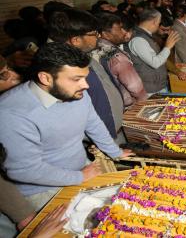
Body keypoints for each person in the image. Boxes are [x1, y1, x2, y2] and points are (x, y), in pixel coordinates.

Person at [0, 43, 133, 212]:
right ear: (46, 78)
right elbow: (24, 170)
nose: (86, 85)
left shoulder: (76, 93)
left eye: (85, 77)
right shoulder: (10, 114)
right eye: (76, 79)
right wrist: (80, 176)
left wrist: (116, 152)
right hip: (44, 189)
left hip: (81, 169)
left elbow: (94, 124)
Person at [48, 8, 125, 141]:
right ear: (76, 40)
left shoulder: (82, 55)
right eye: (94, 33)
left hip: (115, 132)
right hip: (103, 141)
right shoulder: (63, 72)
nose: (99, 36)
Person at [92, 13, 147, 107]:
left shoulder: (92, 49)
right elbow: (135, 87)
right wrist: (145, 103)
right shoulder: (117, 58)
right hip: (127, 106)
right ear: (106, 34)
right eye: (120, 28)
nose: (124, 32)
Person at [127, 9, 180, 95]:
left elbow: (160, 58)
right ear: (154, 22)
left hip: (158, 86)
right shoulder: (138, 39)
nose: (158, 25)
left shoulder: (147, 36)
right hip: (150, 90)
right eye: (159, 23)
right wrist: (168, 47)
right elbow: (155, 63)